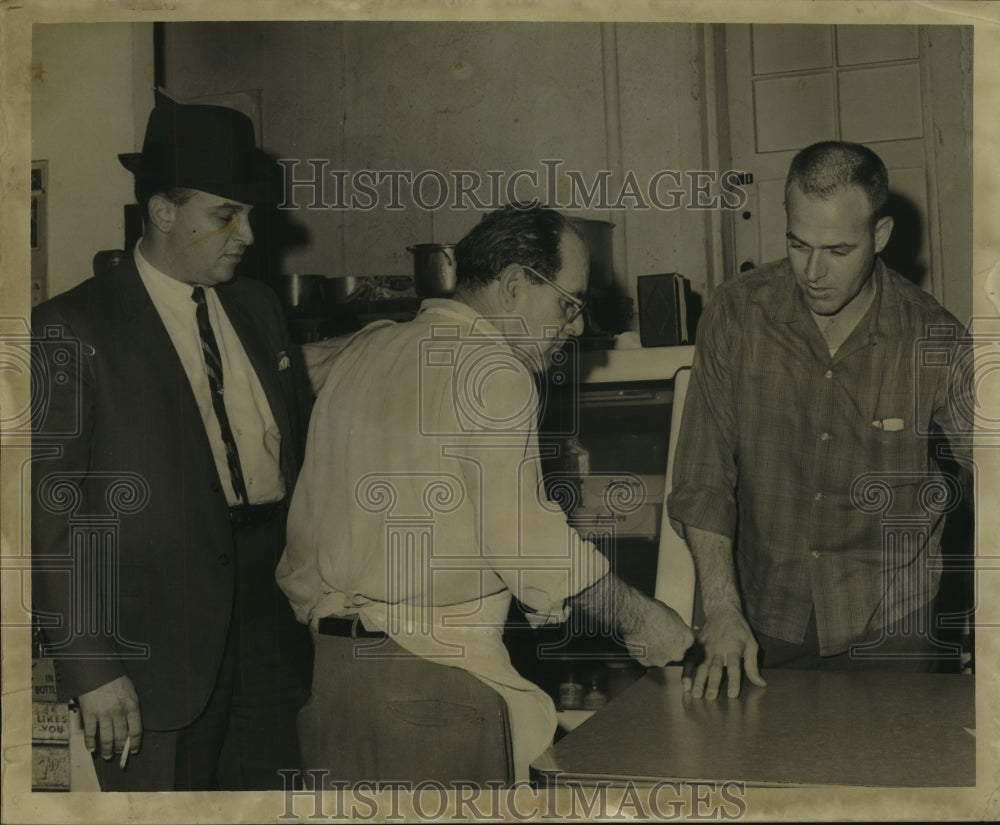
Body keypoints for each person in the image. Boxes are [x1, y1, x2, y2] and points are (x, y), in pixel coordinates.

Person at [277, 204, 693, 784]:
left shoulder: (364, 351)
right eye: (569, 303)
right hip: (431, 688)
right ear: (517, 287)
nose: (574, 326)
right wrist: (646, 620)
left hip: (331, 682)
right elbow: (531, 548)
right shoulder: (494, 370)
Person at [31, 101, 314, 790]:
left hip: (268, 622)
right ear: (163, 211)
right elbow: (51, 515)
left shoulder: (258, 309)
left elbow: (293, 451)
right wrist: (92, 666)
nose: (246, 234)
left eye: (249, 214)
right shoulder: (70, 327)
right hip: (151, 647)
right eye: (226, 214)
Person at [667, 141, 974, 701]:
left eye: (837, 250)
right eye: (797, 243)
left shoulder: (935, 336)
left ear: (879, 237)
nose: (812, 272)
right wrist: (721, 609)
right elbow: (702, 480)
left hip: (890, 624)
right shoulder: (736, 314)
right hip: (758, 617)